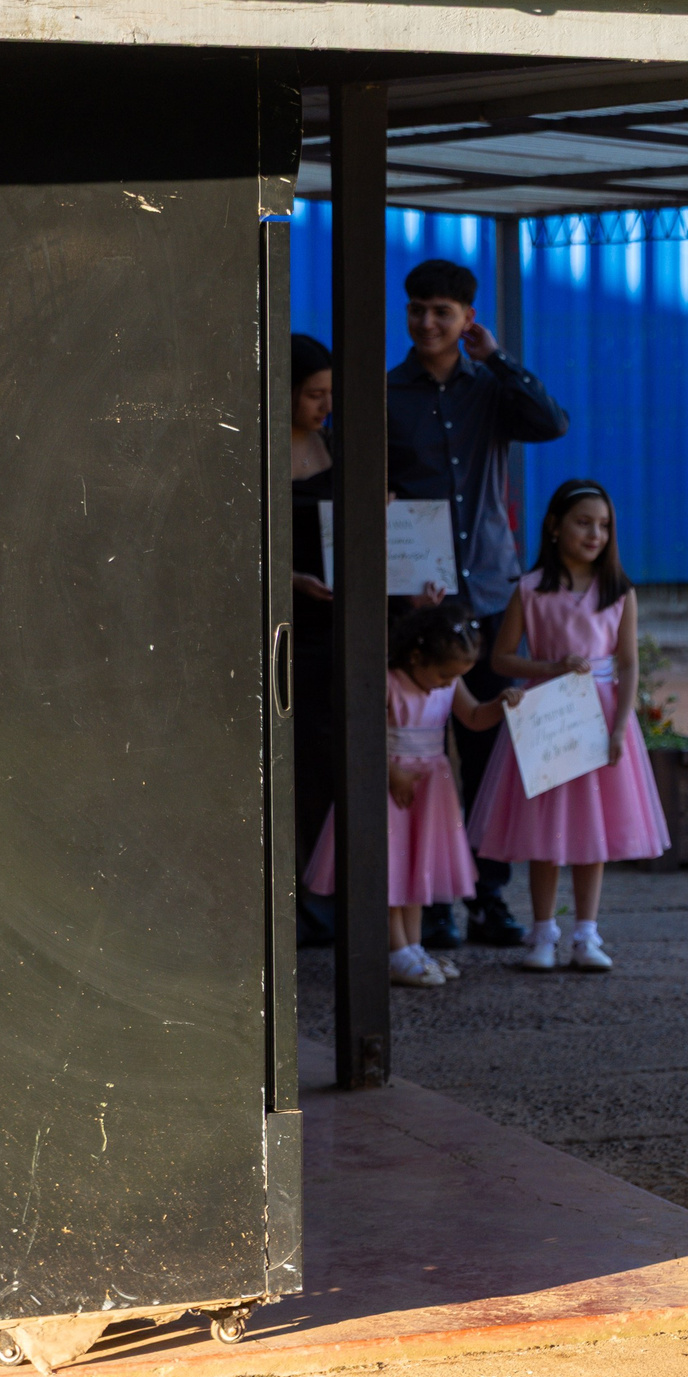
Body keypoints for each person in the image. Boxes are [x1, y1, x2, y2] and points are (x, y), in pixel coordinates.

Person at [389, 257, 571, 951]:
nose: (428, 323)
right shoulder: (384, 394)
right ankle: (429, 899)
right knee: (420, 748)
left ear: (467, 319)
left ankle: (490, 897)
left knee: (491, 745)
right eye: (417, 310)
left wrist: (497, 358)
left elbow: (551, 423)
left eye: (443, 312)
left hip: (490, 588)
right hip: (416, 604)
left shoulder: (490, 388)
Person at [469, 478, 670, 973]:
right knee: (546, 830)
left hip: (598, 716)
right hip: (549, 716)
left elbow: (626, 664)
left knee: (591, 829)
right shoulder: (530, 590)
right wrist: (552, 669)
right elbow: (501, 658)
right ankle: (542, 932)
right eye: (584, 522)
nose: (595, 534)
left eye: (604, 525)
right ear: (554, 527)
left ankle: (586, 933)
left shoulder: (618, 592)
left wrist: (621, 726)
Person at [303, 604, 511, 989]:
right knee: (390, 869)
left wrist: (501, 705)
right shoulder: (388, 680)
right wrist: (390, 772)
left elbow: (475, 717)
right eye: (444, 673)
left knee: (417, 868)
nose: (447, 682)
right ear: (416, 657)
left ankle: (413, 947)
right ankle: (395, 950)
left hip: (430, 786)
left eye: (456, 676)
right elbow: (362, 731)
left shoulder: (449, 680)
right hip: (391, 782)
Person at [287, 332, 340, 947]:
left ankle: (329, 896)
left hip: (335, 628)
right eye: (313, 395)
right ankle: (297, 898)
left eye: (329, 393)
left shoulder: (337, 444)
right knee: (293, 769)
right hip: (287, 627)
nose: (324, 404)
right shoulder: (260, 449)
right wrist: (288, 580)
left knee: (331, 766)